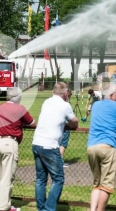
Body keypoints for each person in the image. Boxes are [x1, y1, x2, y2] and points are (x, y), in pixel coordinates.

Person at [32, 82, 78, 211]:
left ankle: (41, 207)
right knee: (58, 179)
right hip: (50, 146)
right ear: (65, 93)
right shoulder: (65, 105)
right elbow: (74, 122)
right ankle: (49, 208)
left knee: (41, 179)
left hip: (37, 142)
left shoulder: (47, 102)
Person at [87, 83, 116, 211]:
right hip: (109, 147)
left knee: (97, 184)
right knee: (106, 185)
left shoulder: (96, 105)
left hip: (92, 147)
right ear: (112, 95)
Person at [0, 87, 36, 211]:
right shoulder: (20, 109)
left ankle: (1, 204)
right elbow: (32, 122)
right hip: (9, 143)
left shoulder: (1, 106)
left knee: (1, 177)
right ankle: (3, 207)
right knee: (8, 177)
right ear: (18, 97)